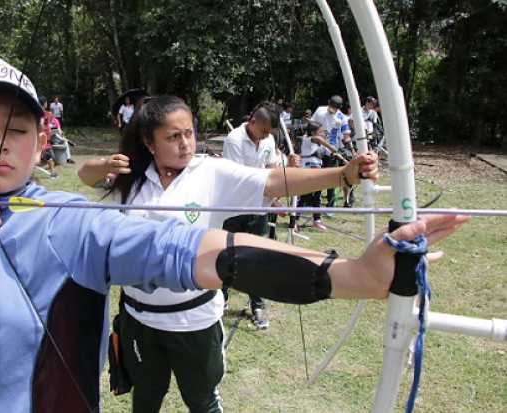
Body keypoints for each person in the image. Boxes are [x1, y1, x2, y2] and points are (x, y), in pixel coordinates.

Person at [0, 57, 466, 413]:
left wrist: (346, 274)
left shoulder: (67, 224)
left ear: (41, 141)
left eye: (17, 129)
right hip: (139, 324)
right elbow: (96, 175)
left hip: (190, 319)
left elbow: (196, 249)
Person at [78, 95, 378, 412]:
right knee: (146, 400)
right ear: (149, 143)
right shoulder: (132, 177)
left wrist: (342, 174)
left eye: (189, 133)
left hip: (193, 322)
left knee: (202, 402)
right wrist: (105, 165)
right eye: (173, 137)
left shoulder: (210, 172)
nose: (185, 144)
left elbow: (273, 181)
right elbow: (86, 177)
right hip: (138, 320)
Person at [222, 102, 299, 329]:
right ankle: (222, 297)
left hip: (259, 210)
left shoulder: (268, 139)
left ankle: (257, 304)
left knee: (257, 258)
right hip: (234, 210)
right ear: (253, 122)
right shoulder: (234, 140)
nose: (266, 136)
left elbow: (272, 171)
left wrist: (287, 170)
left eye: (269, 133)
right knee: (229, 254)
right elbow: (240, 180)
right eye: (264, 131)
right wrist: (272, 192)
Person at [312, 95, 353, 208]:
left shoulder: (342, 118)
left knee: (331, 177)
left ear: (339, 108)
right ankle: (313, 201)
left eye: (335, 108)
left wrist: (350, 146)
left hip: (333, 151)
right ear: (328, 102)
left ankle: (330, 204)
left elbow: (346, 135)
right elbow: (311, 126)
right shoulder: (320, 110)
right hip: (317, 149)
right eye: (331, 106)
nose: (332, 109)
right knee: (317, 176)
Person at [297, 120, 333, 231]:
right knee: (304, 197)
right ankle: (294, 221)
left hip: (317, 170)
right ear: (313, 132)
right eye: (320, 131)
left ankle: (316, 220)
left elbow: (325, 150)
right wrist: (332, 148)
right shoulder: (308, 139)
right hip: (308, 170)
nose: (322, 134)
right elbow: (318, 139)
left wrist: (333, 153)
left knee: (316, 196)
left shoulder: (317, 143)